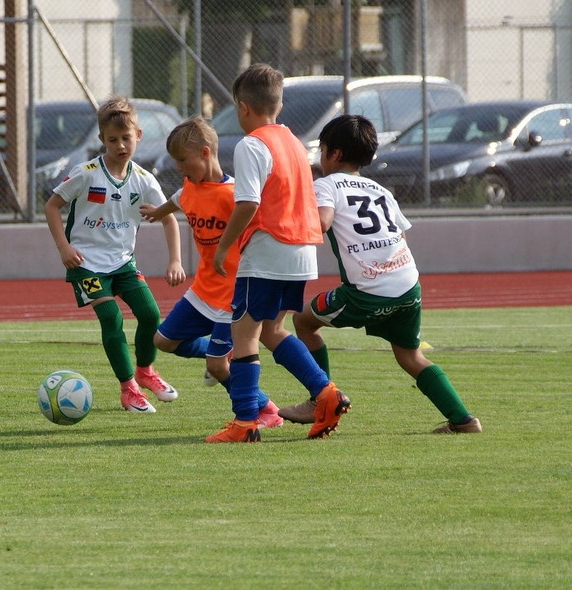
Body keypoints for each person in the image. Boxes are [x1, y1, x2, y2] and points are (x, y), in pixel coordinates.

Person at [284, 114, 482, 434]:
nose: (320, 157)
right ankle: (463, 420)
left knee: (303, 321)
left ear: (334, 153)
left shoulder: (326, 185)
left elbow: (321, 222)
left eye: (322, 150)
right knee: (410, 355)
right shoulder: (380, 191)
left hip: (366, 291)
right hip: (407, 284)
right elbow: (400, 236)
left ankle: (320, 400)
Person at [209, 63, 351, 443]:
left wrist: (223, 248)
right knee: (272, 330)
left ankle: (244, 423)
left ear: (242, 107)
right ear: (280, 104)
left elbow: (248, 203)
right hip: (302, 249)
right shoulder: (293, 141)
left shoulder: (252, 144)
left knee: (244, 334)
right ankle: (326, 394)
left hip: (268, 249)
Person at [140, 116, 283, 430]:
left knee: (217, 367)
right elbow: (178, 200)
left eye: (182, 160)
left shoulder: (234, 195)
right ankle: (225, 355)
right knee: (163, 340)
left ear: (205, 153)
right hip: (203, 290)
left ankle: (265, 409)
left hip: (231, 297)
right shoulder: (190, 188)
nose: (179, 168)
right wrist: (158, 212)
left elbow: (260, 218)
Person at [44, 96, 185, 413]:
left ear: (138, 135)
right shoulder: (87, 173)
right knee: (111, 318)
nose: (120, 145)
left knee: (150, 314)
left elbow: (168, 218)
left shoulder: (144, 179)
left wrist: (175, 260)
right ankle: (128, 389)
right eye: (112, 140)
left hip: (123, 263)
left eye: (126, 137)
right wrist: (64, 248)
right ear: (102, 140)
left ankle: (145, 372)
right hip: (85, 265)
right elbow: (52, 206)